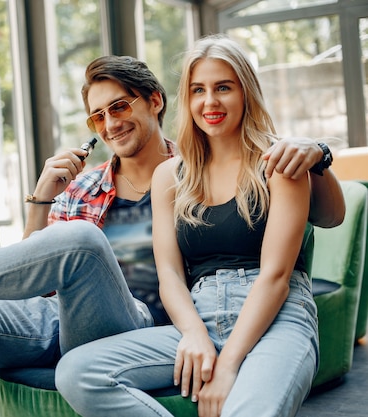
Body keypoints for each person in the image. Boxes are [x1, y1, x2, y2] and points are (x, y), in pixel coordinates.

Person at [0, 54, 342, 417]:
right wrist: (40, 198)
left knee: (81, 240)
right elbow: (31, 265)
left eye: (120, 107)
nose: (109, 125)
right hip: (55, 316)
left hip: (134, 320)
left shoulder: (191, 169)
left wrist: (316, 149)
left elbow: (307, 209)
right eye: (97, 117)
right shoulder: (84, 186)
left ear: (155, 101)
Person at [55, 34, 322, 417]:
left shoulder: (279, 163)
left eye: (223, 88)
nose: (209, 101)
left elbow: (276, 276)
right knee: (78, 372)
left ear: (246, 92)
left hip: (276, 314)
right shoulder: (171, 175)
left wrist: (227, 364)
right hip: (199, 312)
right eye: (198, 90)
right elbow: (170, 275)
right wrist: (195, 334)